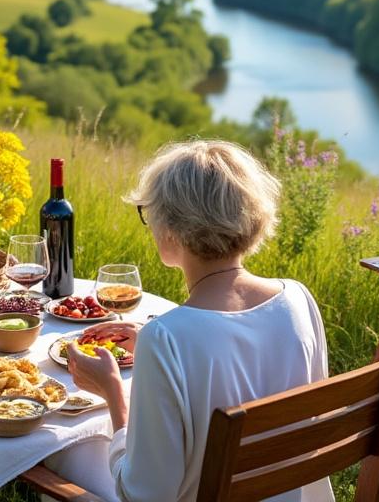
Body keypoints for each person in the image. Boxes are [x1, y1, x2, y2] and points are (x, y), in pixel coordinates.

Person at [46, 139, 332, 502]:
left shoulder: (166, 339)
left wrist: (113, 395)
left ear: (172, 229)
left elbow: (144, 495)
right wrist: (155, 339)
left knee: (63, 451)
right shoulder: (297, 299)